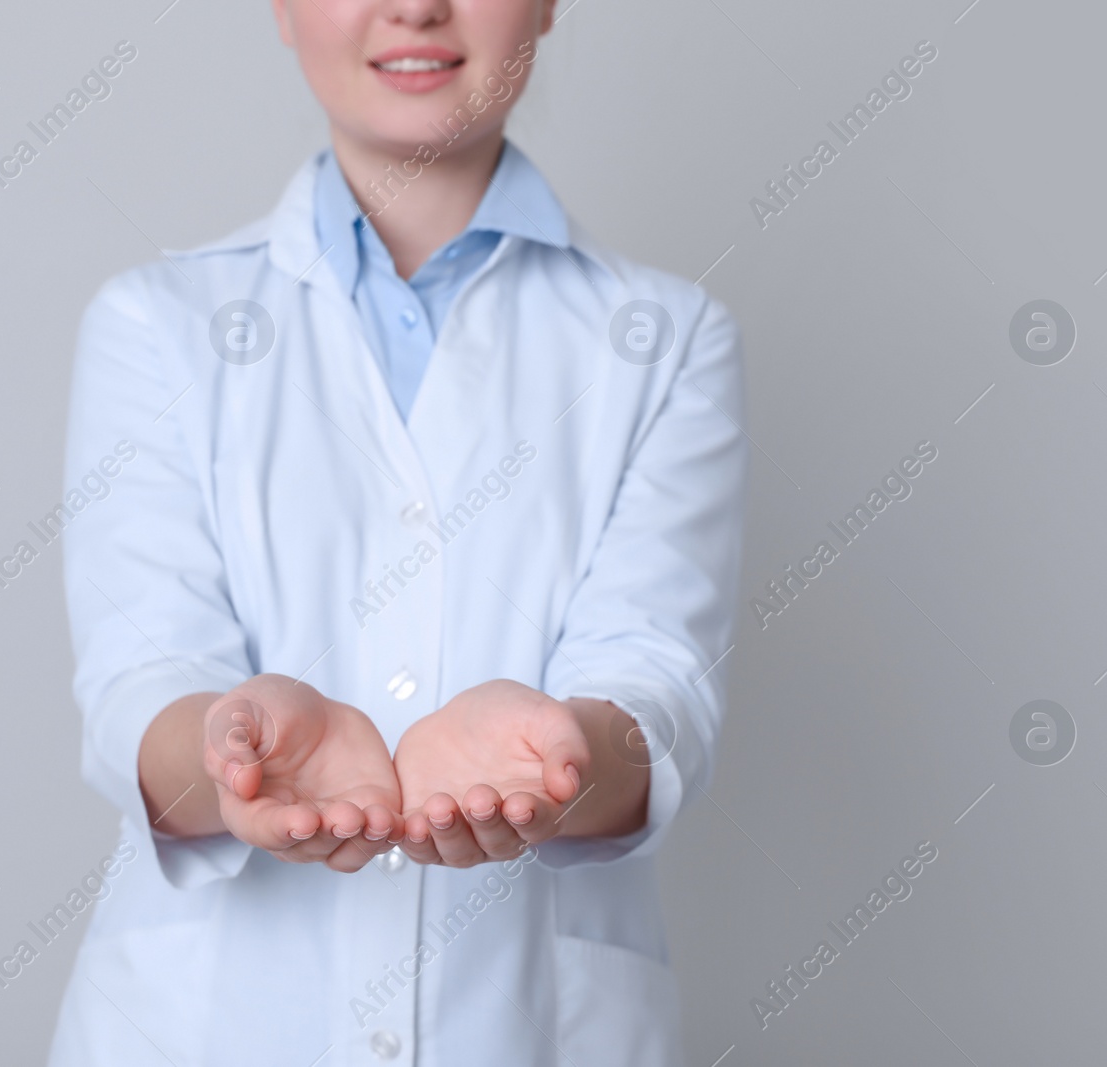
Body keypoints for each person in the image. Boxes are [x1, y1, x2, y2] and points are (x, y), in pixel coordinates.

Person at [49, 0, 746, 1063]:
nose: (414, 5)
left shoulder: (666, 341)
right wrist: (228, 746)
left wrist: (562, 758)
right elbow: (140, 672)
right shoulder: (156, 323)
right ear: (283, 9)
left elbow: (655, 676)